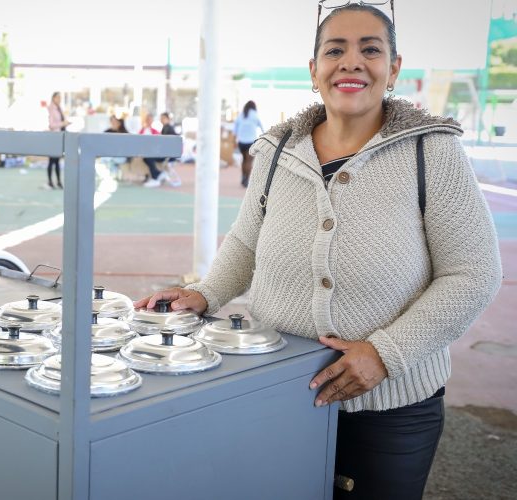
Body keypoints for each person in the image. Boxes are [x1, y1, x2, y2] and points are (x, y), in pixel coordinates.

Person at [135, 4, 501, 499]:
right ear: (314, 70)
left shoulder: (432, 151)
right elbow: (246, 240)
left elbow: (472, 274)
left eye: (370, 49)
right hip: (280, 388)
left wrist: (386, 354)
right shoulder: (277, 149)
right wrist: (205, 294)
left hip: (390, 407)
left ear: (393, 68)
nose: (351, 62)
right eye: (335, 50)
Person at [233, 100, 264, 188]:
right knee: (249, 161)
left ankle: (243, 177)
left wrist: (234, 142)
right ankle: (246, 179)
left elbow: (235, 130)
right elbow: (262, 128)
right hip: (251, 142)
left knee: (244, 160)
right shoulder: (255, 115)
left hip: (241, 142)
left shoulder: (240, 115)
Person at [46, 91, 69, 189]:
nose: (59, 100)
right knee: (52, 161)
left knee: (57, 161)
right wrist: (63, 124)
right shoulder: (51, 109)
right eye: (58, 98)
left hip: (60, 136)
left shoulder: (59, 108)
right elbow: (51, 125)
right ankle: (51, 181)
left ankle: (58, 181)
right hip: (54, 138)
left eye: (60, 98)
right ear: (53, 98)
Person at [139, 113, 168, 188]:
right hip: (146, 151)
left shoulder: (157, 131)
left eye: (150, 119)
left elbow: (159, 143)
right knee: (146, 157)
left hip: (156, 152)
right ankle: (158, 174)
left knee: (147, 157)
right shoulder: (142, 130)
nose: (148, 121)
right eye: (147, 119)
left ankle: (156, 177)